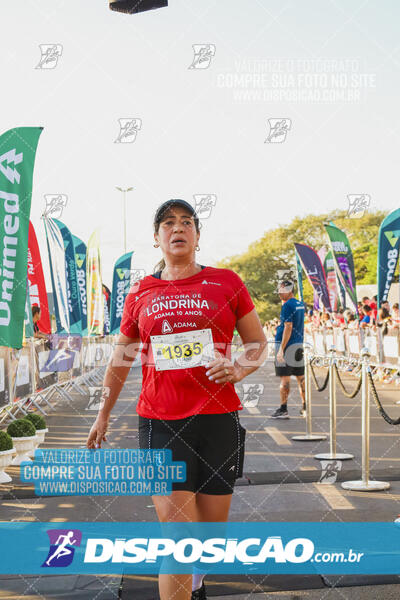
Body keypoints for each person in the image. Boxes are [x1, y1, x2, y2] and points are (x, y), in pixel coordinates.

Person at [86, 199, 267, 600]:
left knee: (210, 535)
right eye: (168, 223)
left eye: (187, 222)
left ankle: (197, 582)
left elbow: (257, 342)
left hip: (218, 419)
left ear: (198, 236)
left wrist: (238, 367)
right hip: (160, 421)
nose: (177, 228)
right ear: (157, 238)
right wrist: (103, 414)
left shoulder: (227, 282)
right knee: (178, 535)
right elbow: (120, 358)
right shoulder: (141, 291)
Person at [270, 280, 306, 419]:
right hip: (298, 345)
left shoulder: (287, 306)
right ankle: (305, 407)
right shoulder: (299, 304)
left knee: (285, 379)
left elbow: (288, 326)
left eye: (280, 290)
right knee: (300, 377)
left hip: (287, 346)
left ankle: (283, 409)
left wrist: (281, 350)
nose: (279, 293)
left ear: (288, 289)